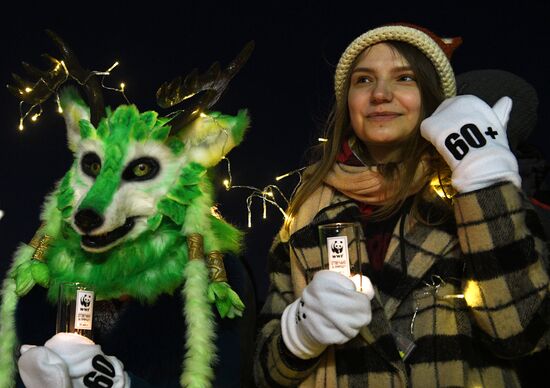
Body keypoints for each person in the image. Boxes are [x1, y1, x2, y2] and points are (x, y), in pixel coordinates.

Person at [253, 23, 550, 387]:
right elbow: (265, 374)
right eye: (363, 80)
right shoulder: (306, 212)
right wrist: (299, 336)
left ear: (430, 95)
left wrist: (484, 179)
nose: (380, 93)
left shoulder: (472, 192)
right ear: (349, 103)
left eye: (404, 77)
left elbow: (522, 334)